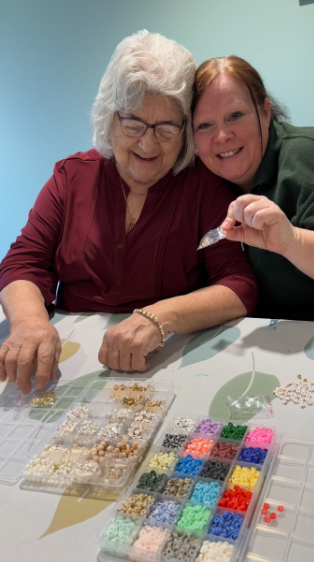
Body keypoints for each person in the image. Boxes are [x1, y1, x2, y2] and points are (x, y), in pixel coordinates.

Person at [0, 33, 258, 394]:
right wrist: (28, 321)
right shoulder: (71, 176)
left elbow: (237, 285)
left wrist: (161, 317)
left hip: (166, 359)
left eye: (167, 127)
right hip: (67, 359)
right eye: (133, 124)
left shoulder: (205, 186)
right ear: (109, 117)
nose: (148, 144)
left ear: (185, 128)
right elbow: (24, 261)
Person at [192, 55, 314, 324]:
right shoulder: (208, 184)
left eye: (235, 116)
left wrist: (293, 242)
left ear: (265, 112)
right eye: (204, 125)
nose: (222, 136)